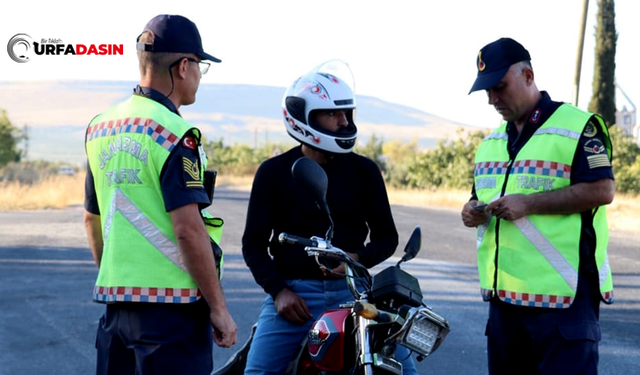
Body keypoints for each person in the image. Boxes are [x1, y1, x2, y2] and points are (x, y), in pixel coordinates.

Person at [241, 60, 418, 374]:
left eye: (346, 113)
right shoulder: (274, 173)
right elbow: (253, 245)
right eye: (333, 113)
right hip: (296, 297)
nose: (343, 121)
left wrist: (357, 258)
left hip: (355, 293)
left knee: (403, 369)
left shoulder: (365, 171)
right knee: (258, 371)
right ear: (305, 117)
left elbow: (387, 238)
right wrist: (279, 292)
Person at [83, 14, 237, 375]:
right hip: (172, 318)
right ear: (184, 66)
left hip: (115, 310)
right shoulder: (174, 134)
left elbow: (92, 219)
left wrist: (119, 283)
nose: (200, 75)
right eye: (200, 65)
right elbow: (188, 229)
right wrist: (218, 308)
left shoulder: (100, 127)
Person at [461, 37, 615, 375]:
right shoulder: (490, 144)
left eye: (499, 87)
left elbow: (603, 190)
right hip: (504, 304)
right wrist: (471, 211)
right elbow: (478, 198)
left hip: (563, 302)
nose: (492, 99)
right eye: (487, 91)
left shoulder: (578, 127)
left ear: (528, 75)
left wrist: (528, 204)